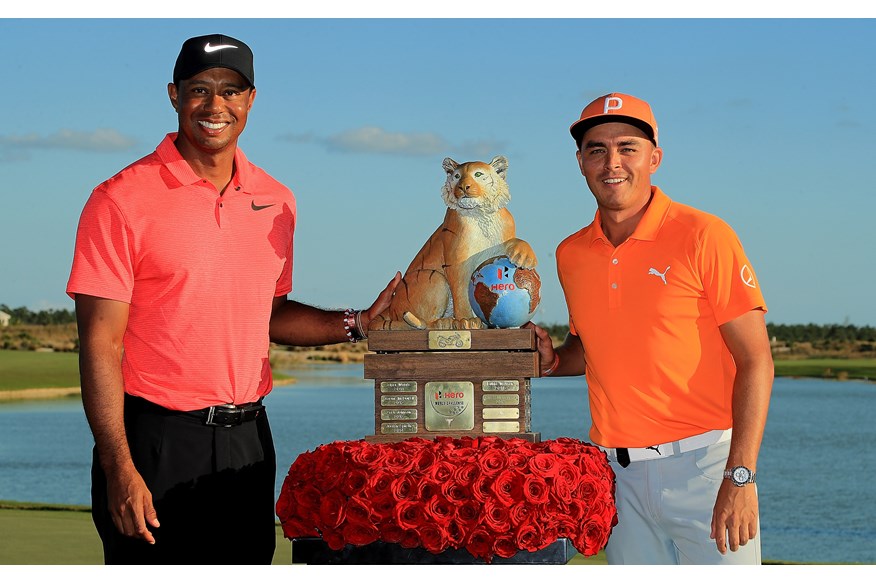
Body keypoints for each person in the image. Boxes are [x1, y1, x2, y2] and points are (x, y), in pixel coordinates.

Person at [66, 33, 400, 565]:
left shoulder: (277, 200)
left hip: (248, 440)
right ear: (174, 95)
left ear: (250, 100)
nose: (215, 105)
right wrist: (118, 466)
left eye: (230, 90)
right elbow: (100, 344)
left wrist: (359, 322)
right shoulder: (119, 199)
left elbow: (271, 315)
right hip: (156, 440)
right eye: (200, 90)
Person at [527, 93, 773, 564]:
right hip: (618, 480)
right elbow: (588, 347)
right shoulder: (570, 253)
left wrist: (740, 477)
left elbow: (755, 359)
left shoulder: (705, 235)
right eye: (596, 149)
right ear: (580, 162)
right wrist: (554, 360)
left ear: (654, 158)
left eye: (627, 147)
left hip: (705, 469)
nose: (611, 162)